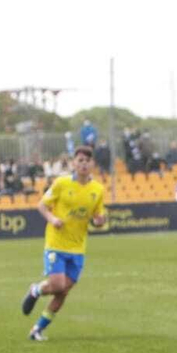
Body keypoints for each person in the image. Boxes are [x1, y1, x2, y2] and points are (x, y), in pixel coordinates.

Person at [20, 145, 107, 341]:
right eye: (80, 161)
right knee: (57, 284)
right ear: (74, 163)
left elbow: (97, 217)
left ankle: (37, 330)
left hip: (78, 247)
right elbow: (42, 205)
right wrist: (53, 220)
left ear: (92, 164)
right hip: (56, 243)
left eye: (87, 161)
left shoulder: (97, 189)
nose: (84, 164)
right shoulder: (61, 183)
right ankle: (36, 290)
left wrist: (100, 221)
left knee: (62, 292)